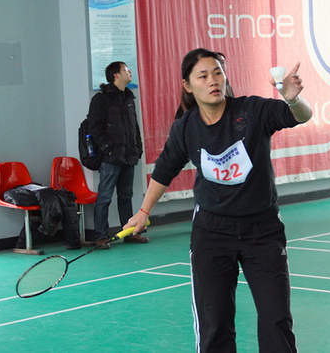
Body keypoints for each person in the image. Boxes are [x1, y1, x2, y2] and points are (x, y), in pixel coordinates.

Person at [125, 48, 312, 352]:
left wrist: (292, 99)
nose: (213, 80)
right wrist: (144, 211)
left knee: (276, 319)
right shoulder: (186, 128)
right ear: (187, 85)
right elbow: (164, 170)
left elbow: (300, 115)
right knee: (214, 323)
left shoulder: (252, 111)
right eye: (203, 76)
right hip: (212, 233)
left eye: (217, 73)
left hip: (262, 231)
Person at [88, 61, 148, 248]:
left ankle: (129, 232)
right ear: (116, 75)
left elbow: (134, 126)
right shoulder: (101, 99)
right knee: (105, 197)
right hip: (111, 158)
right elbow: (94, 127)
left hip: (129, 155)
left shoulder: (129, 97)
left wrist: (138, 147)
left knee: (126, 196)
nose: (130, 72)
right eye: (126, 70)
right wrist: (108, 148)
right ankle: (101, 236)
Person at [174, 51, 235, 119]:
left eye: (223, 63)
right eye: (203, 76)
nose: (213, 82)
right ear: (187, 86)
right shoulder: (185, 121)